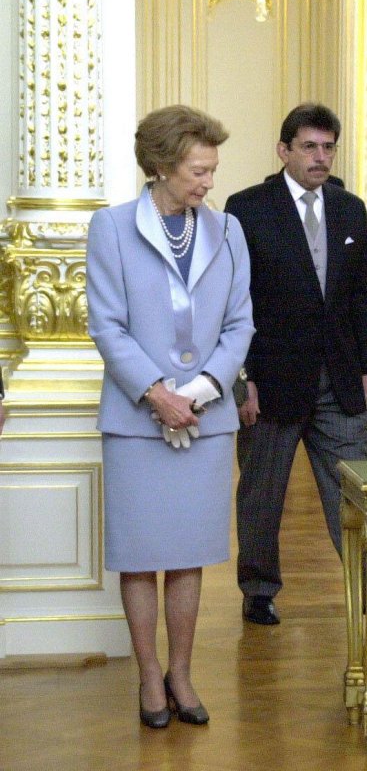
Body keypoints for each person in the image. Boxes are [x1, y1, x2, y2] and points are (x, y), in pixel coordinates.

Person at [86, 105, 254, 727]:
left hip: (206, 420)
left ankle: (181, 674)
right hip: (137, 420)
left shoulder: (228, 231)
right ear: (160, 165)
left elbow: (240, 322)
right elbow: (106, 324)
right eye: (197, 169)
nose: (208, 181)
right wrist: (158, 394)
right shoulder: (110, 228)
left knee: (188, 550)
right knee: (140, 551)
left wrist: (204, 391)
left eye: (212, 169)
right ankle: (147, 677)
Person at [225, 103, 367, 626]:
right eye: (310, 147)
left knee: (353, 485)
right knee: (263, 492)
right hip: (271, 380)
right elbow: (234, 299)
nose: (321, 157)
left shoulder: (349, 208)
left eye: (328, 147)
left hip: (339, 377)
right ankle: (259, 587)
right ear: (284, 150)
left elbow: (363, 295)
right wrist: (243, 380)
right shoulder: (246, 209)